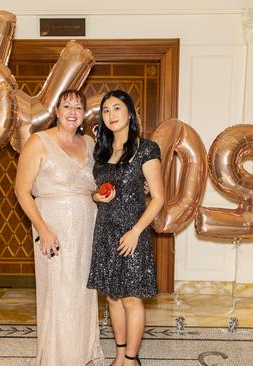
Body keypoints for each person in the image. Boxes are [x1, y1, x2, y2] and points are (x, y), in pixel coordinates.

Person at [15, 89, 103, 365]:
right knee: (59, 293)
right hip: (53, 226)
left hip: (87, 225)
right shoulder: (38, 142)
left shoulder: (89, 143)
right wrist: (43, 229)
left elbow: (93, 188)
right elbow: (21, 190)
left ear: (83, 115)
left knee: (83, 291)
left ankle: (83, 353)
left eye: (78, 108)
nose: (72, 112)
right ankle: (57, 357)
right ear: (57, 110)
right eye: (67, 106)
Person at [87, 90, 165, 366]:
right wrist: (97, 196)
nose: (111, 115)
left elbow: (158, 198)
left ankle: (132, 359)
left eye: (117, 108)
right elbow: (95, 191)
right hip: (105, 230)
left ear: (129, 113)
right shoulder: (101, 151)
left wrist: (135, 232)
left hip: (133, 233)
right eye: (106, 111)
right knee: (112, 296)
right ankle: (119, 352)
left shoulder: (146, 149)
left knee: (132, 298)